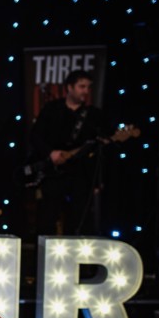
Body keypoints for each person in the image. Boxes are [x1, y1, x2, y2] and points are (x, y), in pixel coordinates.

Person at [28, 69, 112, 236]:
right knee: (47, 217)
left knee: (80, 219)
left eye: (88, 87)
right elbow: (35, 136)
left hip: (80, 173)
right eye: (82, 86)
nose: (86, 91)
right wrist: (50, 152)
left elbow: (100, 145)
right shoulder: (52, 109)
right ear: (69, 87)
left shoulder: (94, 115)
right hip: (53, 172)